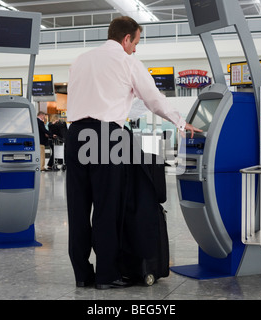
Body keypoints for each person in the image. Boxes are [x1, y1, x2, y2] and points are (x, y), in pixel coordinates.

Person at [66, 16, 201, 290]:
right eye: (136, 42)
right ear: (126, 39)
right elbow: (153, 99)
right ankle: (106, 276)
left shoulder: (80, 60)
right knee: (107, 208)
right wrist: (179, 121)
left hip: (75, 135)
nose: (136, 49)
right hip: (106, 136)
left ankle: (82, 274)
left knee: (78, 209)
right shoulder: (127, 62)